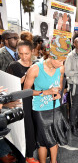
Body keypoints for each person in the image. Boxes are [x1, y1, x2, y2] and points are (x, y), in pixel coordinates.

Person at [23, 35, 71, 163]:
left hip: (55, 107)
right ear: (51, 55)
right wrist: (45, 92)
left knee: (54, 138)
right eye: (60, 60)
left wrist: (58, 93)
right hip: (40, 110)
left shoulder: (60, 68)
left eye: (63, 61)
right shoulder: (35, 69)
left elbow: (60, 85)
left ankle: (54, 161)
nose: (62, 64)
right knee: (43, 142)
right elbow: (26, 91)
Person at [6, 32, 38, 163]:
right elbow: (7, 89)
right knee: (27, 129)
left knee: (37, 128)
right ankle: (27, 156)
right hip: (22, 103)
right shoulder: (13, 66)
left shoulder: (37, 65)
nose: (24, 57)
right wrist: (21, 80)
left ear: (32, 52)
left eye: (27, 53)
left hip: (37, 101)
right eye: (21, 53)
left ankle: (33, 152)